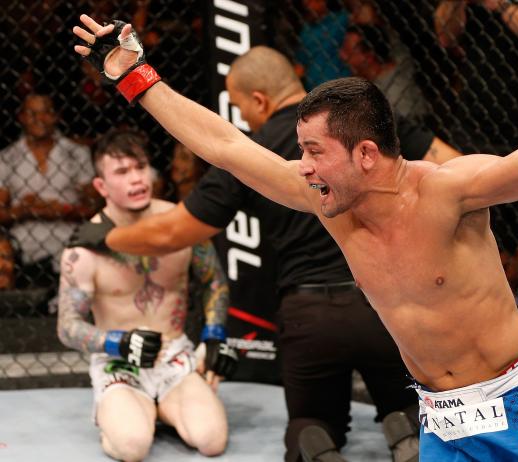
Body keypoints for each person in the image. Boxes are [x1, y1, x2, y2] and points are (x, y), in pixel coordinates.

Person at [71, 14, 518, 460]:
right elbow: (227, 147)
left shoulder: (450, 193)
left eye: (315, 152)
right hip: (441, 416)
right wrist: (135, 78)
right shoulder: (326, 202)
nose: (303, 165)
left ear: (365, 153)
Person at [69, 45, 462, 462]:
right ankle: (402, 423)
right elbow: (454, 169)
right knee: (406, 398)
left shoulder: (264, 152)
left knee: (311, 422)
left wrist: (107, 236)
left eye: (242, 108)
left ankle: (320, 444)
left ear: (259, 101)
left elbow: (177, 229)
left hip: (308, 311)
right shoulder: (368, 130)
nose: (308, 164)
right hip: (385, 302)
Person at [56, 128, 235, 462]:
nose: (136, 179)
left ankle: (161, 408)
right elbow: (67, 326)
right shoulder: (83, 250)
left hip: (174, 357)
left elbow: (214, 282)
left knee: (212, 441)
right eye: (122, 172)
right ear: (101, 186)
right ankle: (124, 412)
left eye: (140, 167)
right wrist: (117, 343)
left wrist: (213, 335)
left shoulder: (180, 225)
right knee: (132, 447)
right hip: (119, 364)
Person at [0, 93, 99, 287]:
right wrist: (25, 211)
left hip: (70, 241)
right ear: (21, 117)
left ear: (56, 116)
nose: (39, 119)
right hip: (23, 249)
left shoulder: (76, 153)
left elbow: (95, 206)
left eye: (46, 112)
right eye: (32, 113)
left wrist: (61, 209)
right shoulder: (7, 157)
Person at [340, 24, 429, 121]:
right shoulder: (370, 84)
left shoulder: (395, 93)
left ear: (369, 57)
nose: (341, 55)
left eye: (348, 51)